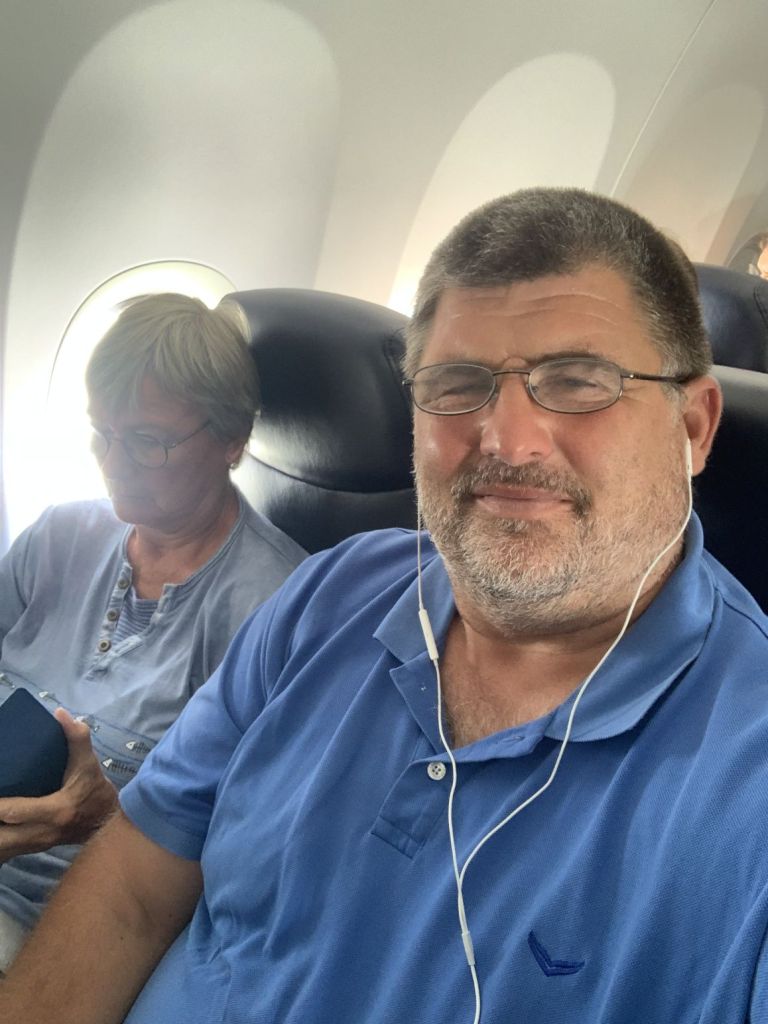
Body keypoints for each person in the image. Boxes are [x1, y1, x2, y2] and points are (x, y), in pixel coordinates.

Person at [2, 189, 767, 1024]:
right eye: (458, 384)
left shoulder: (745, 778)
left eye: (578, 382)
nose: (508, 440)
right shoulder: (330, 595)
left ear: (693, 427)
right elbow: (134, 891)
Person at [0, 293, 306, 973]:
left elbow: (254, 850)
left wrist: (107, 819)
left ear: (232, 439)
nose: (113, 461)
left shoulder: (278, 609)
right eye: (100, 432)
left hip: (53, 916)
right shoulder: (58, 534)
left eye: (146, 440)